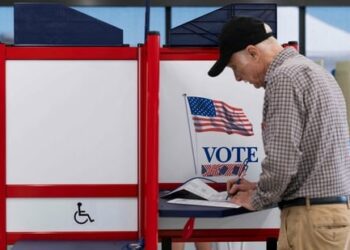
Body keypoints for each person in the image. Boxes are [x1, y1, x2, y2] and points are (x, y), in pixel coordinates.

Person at [208, 16, 350, 250]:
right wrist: (258, 186)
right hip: (325, 216)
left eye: (235, 67)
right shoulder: (311, 70)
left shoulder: (284, 77)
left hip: (310, 220)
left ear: (253, 53)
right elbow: (311, 156)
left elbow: (283, 159)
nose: (237, 78)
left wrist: (256, 199)